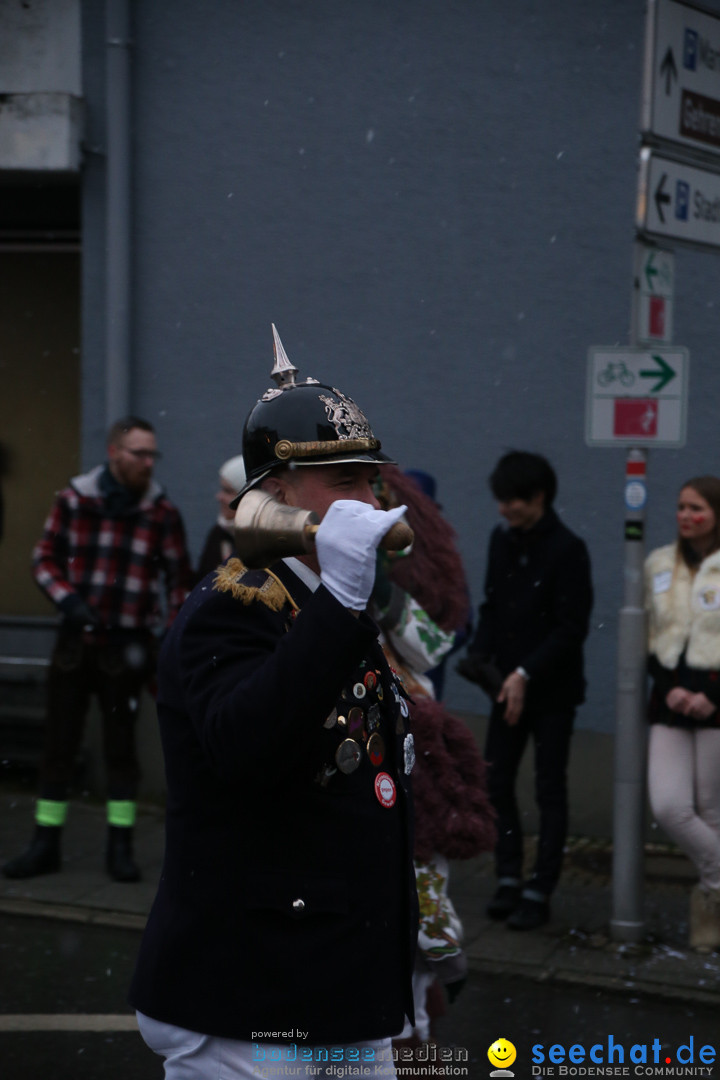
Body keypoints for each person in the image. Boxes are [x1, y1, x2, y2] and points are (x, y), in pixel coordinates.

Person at [129, 326, 418, 1079]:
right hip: (246, 994)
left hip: (334, 985)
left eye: (369, 479)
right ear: (277, 497)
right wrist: (343, 603)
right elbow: (245, 749)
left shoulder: (331, 600)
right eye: (342, 480)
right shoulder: (234, 604)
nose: (367, 499)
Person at [2, 416, 193, 883]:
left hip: (126, 649)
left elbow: (180, 582)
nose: (148, 463)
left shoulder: (160, 512)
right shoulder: (74, 501)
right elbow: (42, 558)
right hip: (75, 645)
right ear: (114, 453)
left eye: (152, 455)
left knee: (121, 750)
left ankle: (120, 847)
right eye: (138, 454)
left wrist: (167, 635)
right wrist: (68, 599)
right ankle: (45, 843)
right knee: (58, 745)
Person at [371, 464, 495, 1058]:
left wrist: (382, 593)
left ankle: (429, 970)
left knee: (418, 860)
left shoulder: (418, 573)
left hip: (413, 729)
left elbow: (443, 637)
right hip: (365, 734)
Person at [457, 451, 593, 931]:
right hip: (505, 685)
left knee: (548, 787)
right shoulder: (503, 540)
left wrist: (525, 674)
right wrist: (480, 654)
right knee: (495, 782)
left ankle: (541, 888)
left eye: (511, 500)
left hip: (551, 690)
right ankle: (509, 877)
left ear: (538, 497)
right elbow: (493, 605)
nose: (502, 509)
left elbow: (569, 629)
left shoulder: (568, 549)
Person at [645, 476, 720, 952]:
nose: (686, 516)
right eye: (681, 507)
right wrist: (671, 688)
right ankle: (717, 885)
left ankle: (709, 921)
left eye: (697, 508)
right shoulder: (658, 563)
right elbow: (650, 636)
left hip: (715, 705)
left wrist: (713, 695)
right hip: (670, 702)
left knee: (713, 812)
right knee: (670, 806)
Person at [196, 454, 247, 578]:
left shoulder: (263, 542)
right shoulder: (218, 534)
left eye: (228, 491)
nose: (219, 497)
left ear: (247, 496)